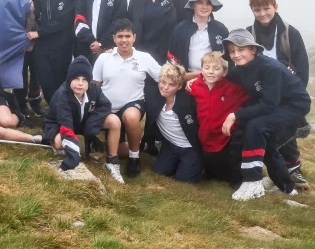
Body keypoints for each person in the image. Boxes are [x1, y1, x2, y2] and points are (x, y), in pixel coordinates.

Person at [221, 30, 311, 200]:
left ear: (253, 50)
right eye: (232, 51)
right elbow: (224, 75)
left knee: (256, 126)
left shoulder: (270, 69)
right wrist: (194, 80)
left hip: (294, 105)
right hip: (275, 105)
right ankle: (286, 187)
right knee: (266, 141)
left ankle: (253, 181)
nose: (236, 55)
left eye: (240, 50)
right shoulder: (242, 68)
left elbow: (269, 105)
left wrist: (235, 115)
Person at [246, 0, 311, 188]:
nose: (262, 13)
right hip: (260, 92)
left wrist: (296, 92)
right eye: (257, 10)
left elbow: (302, 66)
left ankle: (293, 170)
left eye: (266, 8)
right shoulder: (249, 33)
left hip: (287, 92)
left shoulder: (290, 32)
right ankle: (273, 169)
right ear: (252, 10)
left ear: (275, 7)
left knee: (286, 128)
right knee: (264, 129)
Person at [127, 0, 190, 153]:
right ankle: (144, 138)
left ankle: (161, 138)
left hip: (168, 55)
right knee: (145, 96)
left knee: (165, 94)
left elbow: (186, 24)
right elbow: (129, 22)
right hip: (142, 54)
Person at [91, 19, 162, 179]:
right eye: (120, 36)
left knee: (130, 117)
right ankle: (128, 148)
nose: (124, 40)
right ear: (114, 38)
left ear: (134, 37)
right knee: (115, 150)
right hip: (108, 108)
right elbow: (95, 85)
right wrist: (92, 107)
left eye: (127, 36)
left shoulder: (144, 57)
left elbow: (164, 76)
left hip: (133, 104)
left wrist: (196, 76)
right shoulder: (103, 58)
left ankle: (134, 157)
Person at [42, 57, 123, 183]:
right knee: (59, 143)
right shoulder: (62, 95)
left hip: (83, 121)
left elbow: (106, 105)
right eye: (76, 78)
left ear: (89, 81)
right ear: (69, 79)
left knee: (114, 120)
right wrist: (71, 160)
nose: (80, 83)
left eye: (84, 79)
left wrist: (91, 126)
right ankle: (69, 147)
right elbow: (66, 127)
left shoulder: (94, 89)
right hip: (59, 123)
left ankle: (112, 161)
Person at [185, 51, 249, 186]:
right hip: (204, 138)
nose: (210, 72)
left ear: (225, 72)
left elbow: (250, 101)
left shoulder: (233, 88)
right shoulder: (194, 87)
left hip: (226, 138)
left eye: (216, 68)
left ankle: (241, 179)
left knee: (226, 174)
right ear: (201, 70)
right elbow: (179, 86)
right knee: (210, 173)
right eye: (206, 68)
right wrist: (188, 82)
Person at [29, 0, 79, 105]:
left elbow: (62, 21)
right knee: (45, 80)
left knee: (60, 81)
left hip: (62, 46)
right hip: (42, 46)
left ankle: (62, 111)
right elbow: (39, 13)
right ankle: (52, 109)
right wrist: (31, 9)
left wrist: (38, 33)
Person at [151, 63, 203, 183]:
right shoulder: (154, 98)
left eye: (171, 84)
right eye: (163, 82)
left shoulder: (188, 102)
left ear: (179, 86)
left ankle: (198, 164)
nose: (165, 87)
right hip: (170, 144)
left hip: (190, 147)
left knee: (184, 179)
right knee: (159, 172)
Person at [168, 0, 230, 81]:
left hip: (216, 80)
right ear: (193, 5)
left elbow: (229, 58)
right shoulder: (180, 29)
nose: (204, 7)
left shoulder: (221, 29)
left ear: (212, 6)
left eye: (208, 3)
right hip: (187, 80)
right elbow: (172, 58)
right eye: (200, 3)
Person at [17, 0, 48, 115]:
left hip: (41, 37)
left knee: (37, 70)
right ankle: (21, 105)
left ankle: (35, 101)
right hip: (24, 36)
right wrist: (26, 9)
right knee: (21, 71)